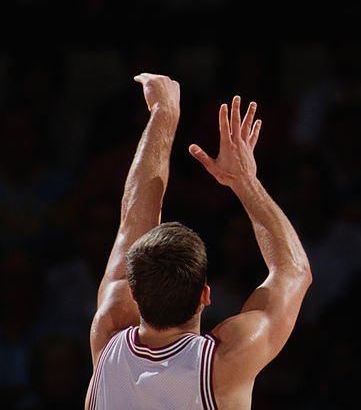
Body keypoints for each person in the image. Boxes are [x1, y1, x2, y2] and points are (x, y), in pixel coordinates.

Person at [85, 74, 312, 409]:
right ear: (205, 294)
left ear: (134, 292)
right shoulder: (224, 364)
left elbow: (133, 219)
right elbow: (294, 272)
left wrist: (163, 113)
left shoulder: (108, 335)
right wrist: (244, 181)